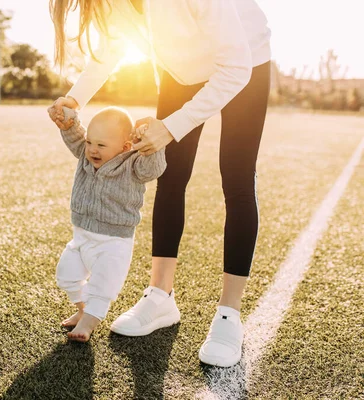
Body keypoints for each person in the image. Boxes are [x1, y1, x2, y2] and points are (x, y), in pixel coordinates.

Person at [47, 0, 271, 367]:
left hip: (243, 61)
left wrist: (171, 127)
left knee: (237, 178)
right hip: (181, 73)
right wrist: (75, 98)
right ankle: (160, 295)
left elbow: (235, 68)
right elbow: (112, 47)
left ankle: (229, 313)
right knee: (170, 175)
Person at [52, 106, 167, 342]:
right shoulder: (86, 156)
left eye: (101, 145)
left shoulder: (133, 164)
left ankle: (88, 324)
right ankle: (83, 309)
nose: (93, 149)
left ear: (125, 146)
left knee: (102, 287)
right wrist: (70, 123)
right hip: (82, 237)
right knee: (66, 275)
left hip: (114, 242)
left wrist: (151, 145)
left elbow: (154, 168)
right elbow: (76, 139)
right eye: (90, 142)